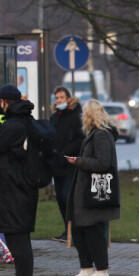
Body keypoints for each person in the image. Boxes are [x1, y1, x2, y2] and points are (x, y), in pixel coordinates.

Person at [0, 84, 39, 276]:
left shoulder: (11, 126)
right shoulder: (28, 122)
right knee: (21, 238)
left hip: (13, 189)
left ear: (4, 102)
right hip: (26, 188)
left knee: (18, 241)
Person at [65, 99, 120, 276]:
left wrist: (79, 161)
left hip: (95, 193)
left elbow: (103, 163)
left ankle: (102, 272)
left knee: (93, 232)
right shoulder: (94, 134)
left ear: (90, 115)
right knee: (80, 231)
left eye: (85, 114)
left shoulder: (101, 135)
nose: (82, 118)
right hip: (85, 192)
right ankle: (86, 269)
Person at [49, 86, 84, 243]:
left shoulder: (77, 116)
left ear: (69, 99)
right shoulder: (54, 118)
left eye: (61, 98)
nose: (58, 101)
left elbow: (80, 139)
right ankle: (67, 230)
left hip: (71, 164)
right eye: (56, 98)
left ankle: (75, 231)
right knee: (60, 199)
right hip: (57, 165)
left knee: (67, 196)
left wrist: (66, 151)